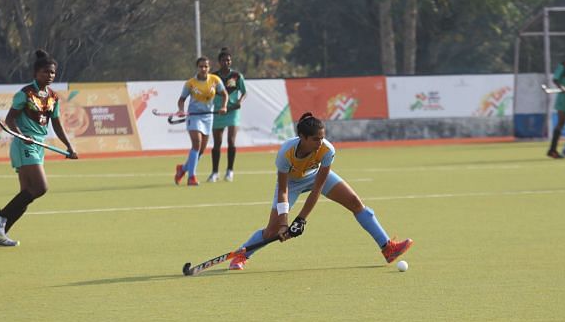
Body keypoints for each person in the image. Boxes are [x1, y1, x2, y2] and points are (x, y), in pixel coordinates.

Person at [227, 112, 413, 270]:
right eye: (315, 139)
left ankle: (387, 247)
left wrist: (301, 220)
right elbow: (283, 190)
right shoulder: (286, 153)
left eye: (322, 138)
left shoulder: (327, 150)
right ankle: (242, 254)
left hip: (314, 177)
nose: (320, 142)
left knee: (355, 202)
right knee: (272, 230)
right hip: (291, 184)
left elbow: (317, 189)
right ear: (302, 137)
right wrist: (284, 224)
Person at [0, 49, 78, 247]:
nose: (50, 75)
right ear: (36, 73)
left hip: (39, 145)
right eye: (45, 72)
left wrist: (69, 146)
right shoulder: (25, 94)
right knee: (40, 188)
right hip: (24, 144)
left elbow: (56, 123)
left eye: (52, 72)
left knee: (27, 193)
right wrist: (22, 134)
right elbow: (10, 119)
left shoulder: (53, 97)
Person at [174, 56, 228, 186]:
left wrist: (223, 106)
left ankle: (182, 169)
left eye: (206, 66)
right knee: (196, 144)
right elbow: (181, 99)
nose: (203, 69)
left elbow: (225, 94)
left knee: (201, 150)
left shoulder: (215, 80)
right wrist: (181, 110)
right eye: (201, 66)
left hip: (208, 117)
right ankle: (191, 177)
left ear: (209, 68)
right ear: (197, 68)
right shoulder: (190, 83)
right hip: (194, 116)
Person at [207, 48, 247, 183]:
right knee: (217, 143)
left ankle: (230, 171)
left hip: (232, 112)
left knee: (231, 140)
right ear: (219, 62)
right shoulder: (213, 77)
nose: (226, 62)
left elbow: (244, 92)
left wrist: (240, 102)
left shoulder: (236, 76)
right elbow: (208, 93)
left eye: (228, 60)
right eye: (224, 60)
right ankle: (214, 172)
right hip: (218, 112)